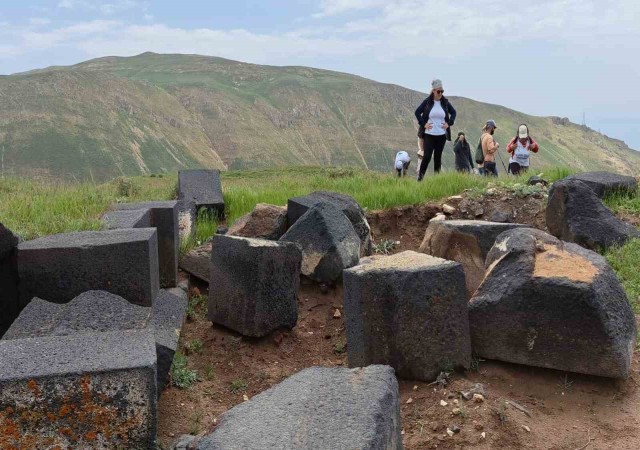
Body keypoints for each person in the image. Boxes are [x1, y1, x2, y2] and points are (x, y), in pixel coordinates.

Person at [415, 79, 457, 181]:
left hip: (441, 135)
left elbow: (454, 112)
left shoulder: (445, 102)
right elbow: (417, 112)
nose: (440, 93)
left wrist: (449, 123)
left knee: (438, 158)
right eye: (438, 91)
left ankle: (437, 181)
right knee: (427, 157)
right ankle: (419, 180)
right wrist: (424, 124)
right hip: (429, 134)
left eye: (442, 91)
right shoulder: (427, 102)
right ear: (433, 91)